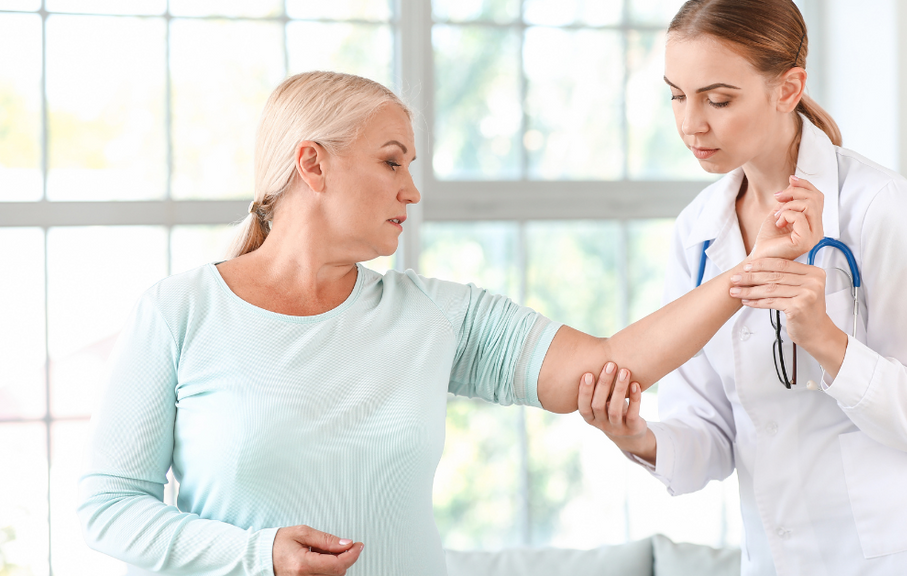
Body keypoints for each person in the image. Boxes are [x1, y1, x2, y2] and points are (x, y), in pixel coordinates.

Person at [77, 71, 823, 576]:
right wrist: (257, 554)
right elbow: (108, 508)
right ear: (313, 164)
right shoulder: (178, 312)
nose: (414, 189)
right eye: (393, 162)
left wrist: (757, 266)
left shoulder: (434, 314)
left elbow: (610, 362)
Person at [577, 1, 907, 575]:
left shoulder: (881, 208)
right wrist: (639, 437)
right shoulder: (698, 232)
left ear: (788, 88)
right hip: (781, 559)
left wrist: (825, 339)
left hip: (903, 556)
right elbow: (713, 434)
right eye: (676, 95)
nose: (690, 123)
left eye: (718, 99)